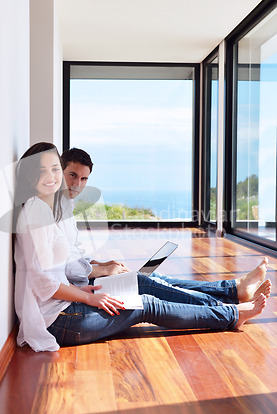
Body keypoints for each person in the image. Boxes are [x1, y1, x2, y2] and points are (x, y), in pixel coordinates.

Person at [14, 142, 271, 352]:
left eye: (54, 171)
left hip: (67, 303)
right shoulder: (37, 213)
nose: (54, 179)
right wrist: (90, 294)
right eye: (43, 172)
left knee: (145, 279)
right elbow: (43, 282)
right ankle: (230, 312)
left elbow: (59, 268)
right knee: (146, 303)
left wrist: (94, 277)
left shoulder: (47, 209)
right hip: (58, 321)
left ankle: (231, 294)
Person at [61, 147, 129, 279]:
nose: (77, 184)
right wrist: (105, 270)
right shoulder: (51, 211)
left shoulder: (67, 204)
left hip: (84, 277)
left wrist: (99, 264)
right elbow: (65, 267)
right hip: (81, 284)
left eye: (84, 179)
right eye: (72, 175)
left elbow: (73, 250)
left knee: (155, 278)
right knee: (147, 282)